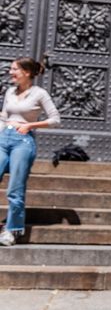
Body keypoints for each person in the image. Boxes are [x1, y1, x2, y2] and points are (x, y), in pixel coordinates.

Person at [0, 57, 60, 246]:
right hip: (3, 139)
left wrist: (30, 126)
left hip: (22, 141)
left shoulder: (39, 93)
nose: (10, 72)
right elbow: (3, 116)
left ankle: (11, 230)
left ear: (26, 72)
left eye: (14, 69)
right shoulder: (9, 91)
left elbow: (55, 119)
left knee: (15, 188)